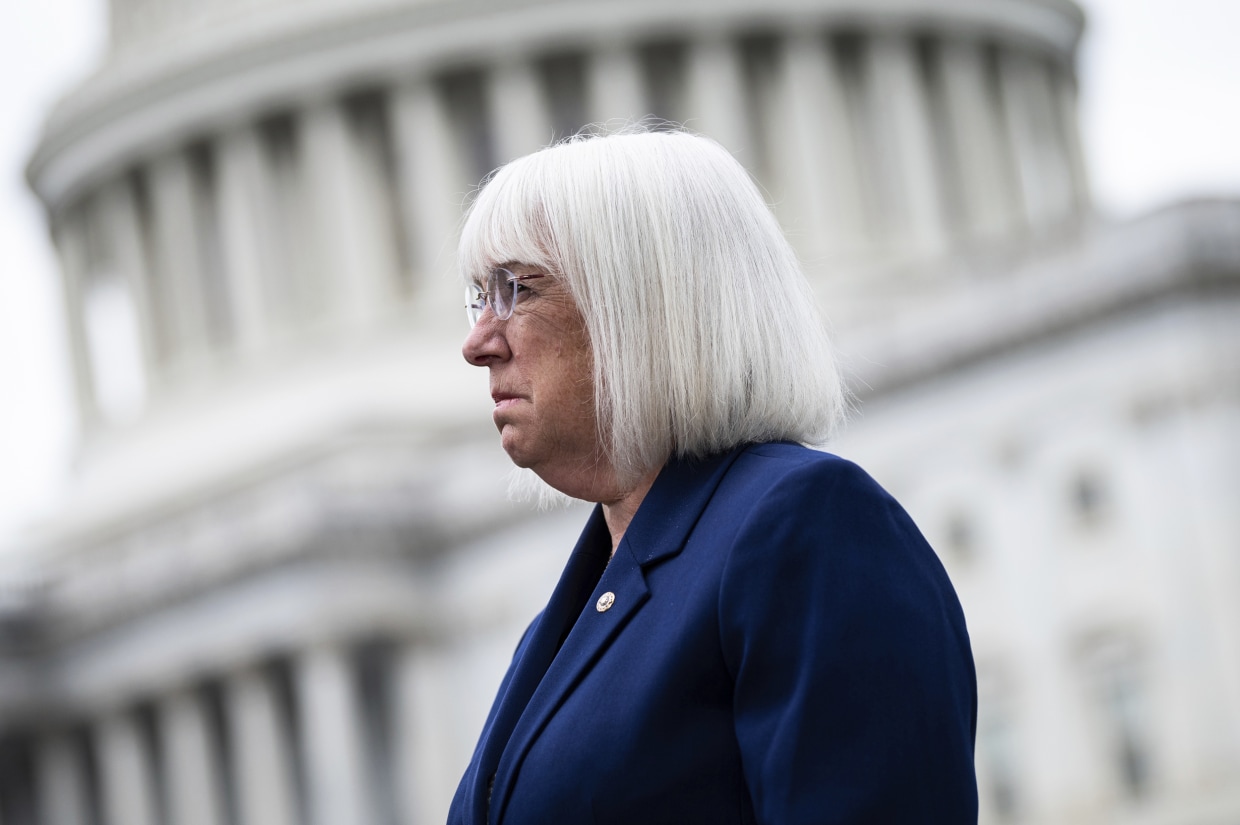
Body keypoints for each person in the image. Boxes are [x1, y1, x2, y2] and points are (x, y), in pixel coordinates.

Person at [450, 129, 977, 825]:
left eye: (517, 289)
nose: (477, 343)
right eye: (478, 297)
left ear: (642, 305)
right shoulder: (563, 619)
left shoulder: (807, 528)